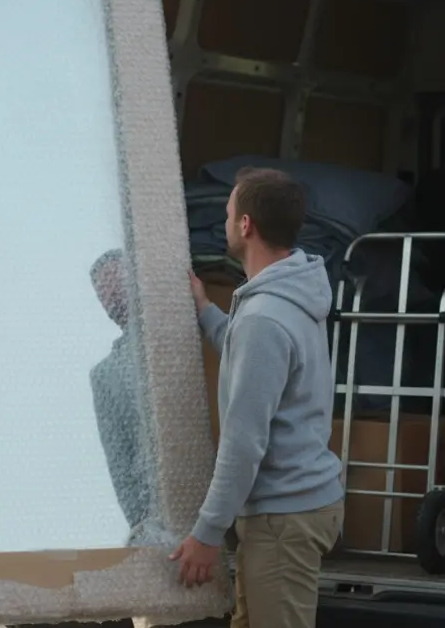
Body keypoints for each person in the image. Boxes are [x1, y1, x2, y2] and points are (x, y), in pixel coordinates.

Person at [170, 167, 345, 628]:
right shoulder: (289, 294)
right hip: (292, 509)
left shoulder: (264, 317)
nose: (226, 221)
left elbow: (244, 442)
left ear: (245, 225)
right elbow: (258, 358)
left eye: (229, 212)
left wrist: (207, 533)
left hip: (282, 518)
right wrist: (206, 310)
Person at [86, 248, 167, 547]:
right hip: (158, 518)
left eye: (115, 280)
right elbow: (118, 459)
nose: (110, 295)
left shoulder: (176, 333)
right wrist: (142, 526)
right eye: (101, 291)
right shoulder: (105, 375)